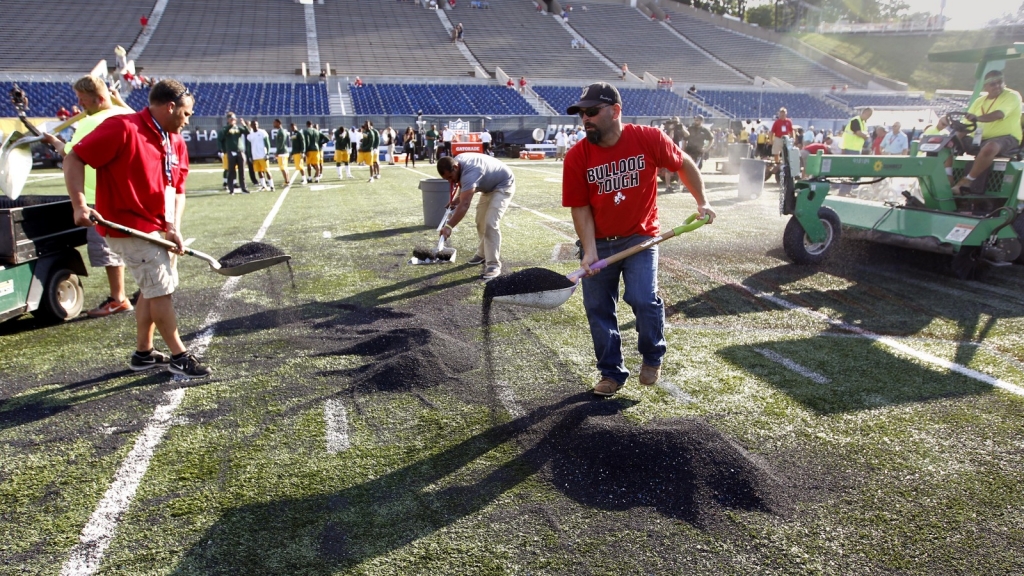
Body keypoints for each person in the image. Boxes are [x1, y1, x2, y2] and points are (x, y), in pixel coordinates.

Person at [561, 82, 715, 397]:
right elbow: (580, 207)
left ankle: (652, 354)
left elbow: (683, 163)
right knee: (598, 308)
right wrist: (589, 250)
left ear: (615, 111)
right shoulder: (577, 156)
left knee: (643, 298)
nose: (585, 120)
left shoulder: (648, 138)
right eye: (582, 115)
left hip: (640, 237)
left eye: (592, 112)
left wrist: (703, 201)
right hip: (600, 241)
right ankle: (611, 373)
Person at [63, 79, 211, 378]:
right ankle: (179, 355)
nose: (188, 119)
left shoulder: (173, 139)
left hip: (158, 229)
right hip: (128, 228)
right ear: (170, 107)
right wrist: (79, 205)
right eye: (186, 113)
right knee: (161, 293)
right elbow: (74, 157)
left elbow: (175, 188)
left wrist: (173, 227)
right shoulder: (124, 127)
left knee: (151, 290)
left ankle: (143, 353)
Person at [41, 76, 135, 319]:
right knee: (131, 246)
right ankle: (139, 293)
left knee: (107, 251)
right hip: (125, 194)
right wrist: (119, 101)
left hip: (98, 197)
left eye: (83, 101)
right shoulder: (123, 115)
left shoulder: (91, 123)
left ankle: (118, 298)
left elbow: (70, 155)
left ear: (100, 99)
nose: (80, 105)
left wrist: (54, 142)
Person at [437, 153, 515, 280]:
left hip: (503, 185)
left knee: (490, 223)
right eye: (448, 179)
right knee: (480, 222)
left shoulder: (470, 172)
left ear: (456, 167)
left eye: (451, 177)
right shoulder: (457, 164)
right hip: (487, 188)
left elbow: (465, 204)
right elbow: (462, 186)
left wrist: (449, 226)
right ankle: (483, 253)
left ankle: (493, 264)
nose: (451, 181)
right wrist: (457, 199)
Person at [953, 70, 1022, 193]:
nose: (997, 86)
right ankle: (947, 178)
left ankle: (968, 180)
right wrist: (955, 135)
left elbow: (999, 114)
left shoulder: (1012, 96)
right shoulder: (979, 101)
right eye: (992, 84)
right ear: (985, 86)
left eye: (999, 82)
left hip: (1007, 138)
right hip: (979, 139)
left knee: (990, 147)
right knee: (947, 142)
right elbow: (967, 125)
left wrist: (977, 118)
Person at [219, 113, 250, 194]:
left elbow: (248, 132)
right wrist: (230, 125)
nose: (233, 120)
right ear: (228, 120)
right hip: (231, 151)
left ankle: (243, 188)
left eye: (234, 118)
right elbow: (223, 135)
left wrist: (244, 125)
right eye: (231, 118)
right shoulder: (226, 128)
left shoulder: (238, 128)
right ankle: (231, 189)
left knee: (242, 171)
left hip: (240, 151)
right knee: (231, 171)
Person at [247, 120, 273, 190]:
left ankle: (271, 186)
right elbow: (249, 147)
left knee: (267, 170)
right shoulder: (250, 135)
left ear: (258, 125)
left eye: (256, 124)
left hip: (262, 155)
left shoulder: (262, 132)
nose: (255, 126)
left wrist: (267, 153)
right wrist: (250, 156)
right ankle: (263, 185)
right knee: (259, 171)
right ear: (251, 126)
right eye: (253, 125)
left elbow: (267, 143)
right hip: (255, 156)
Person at [272, 119, 291, 186]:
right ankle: (287, 180)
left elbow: (281, 143)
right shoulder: (281, 131)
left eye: (274, 123)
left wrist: (277, 152)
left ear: (278, 123)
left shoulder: (281, 132)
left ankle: (287, 181)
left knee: (283, 168)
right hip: (283, 152)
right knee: (285, 167)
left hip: (282, 152)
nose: (273, 124)